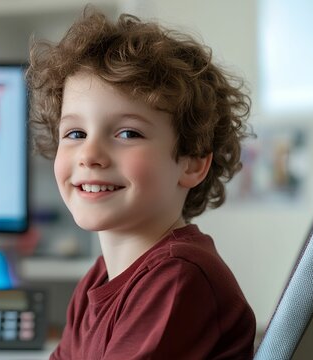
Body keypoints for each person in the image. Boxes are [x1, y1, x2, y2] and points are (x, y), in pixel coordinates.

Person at [25, 7, 256, 359]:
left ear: (192, 163)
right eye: (75, 133)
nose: (90, 154)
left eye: (128, 133)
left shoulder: (178, 277)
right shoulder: (99, 278)